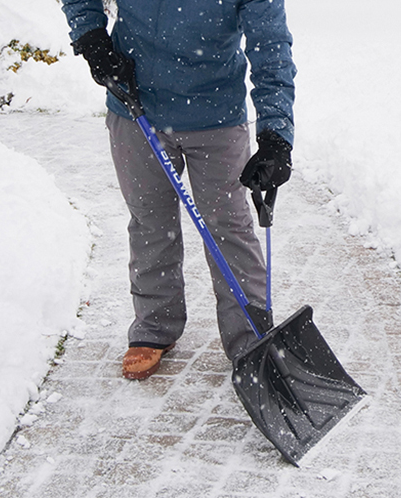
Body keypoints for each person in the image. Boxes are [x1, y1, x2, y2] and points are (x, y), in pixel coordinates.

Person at [61, 0, 296, 380]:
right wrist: (90, 36)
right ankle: (155, 327)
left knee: (229, 229)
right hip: (135, 105)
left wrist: (276, 137)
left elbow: (271, 47)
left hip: (215, 113)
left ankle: (251, 337)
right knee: (150, 221)